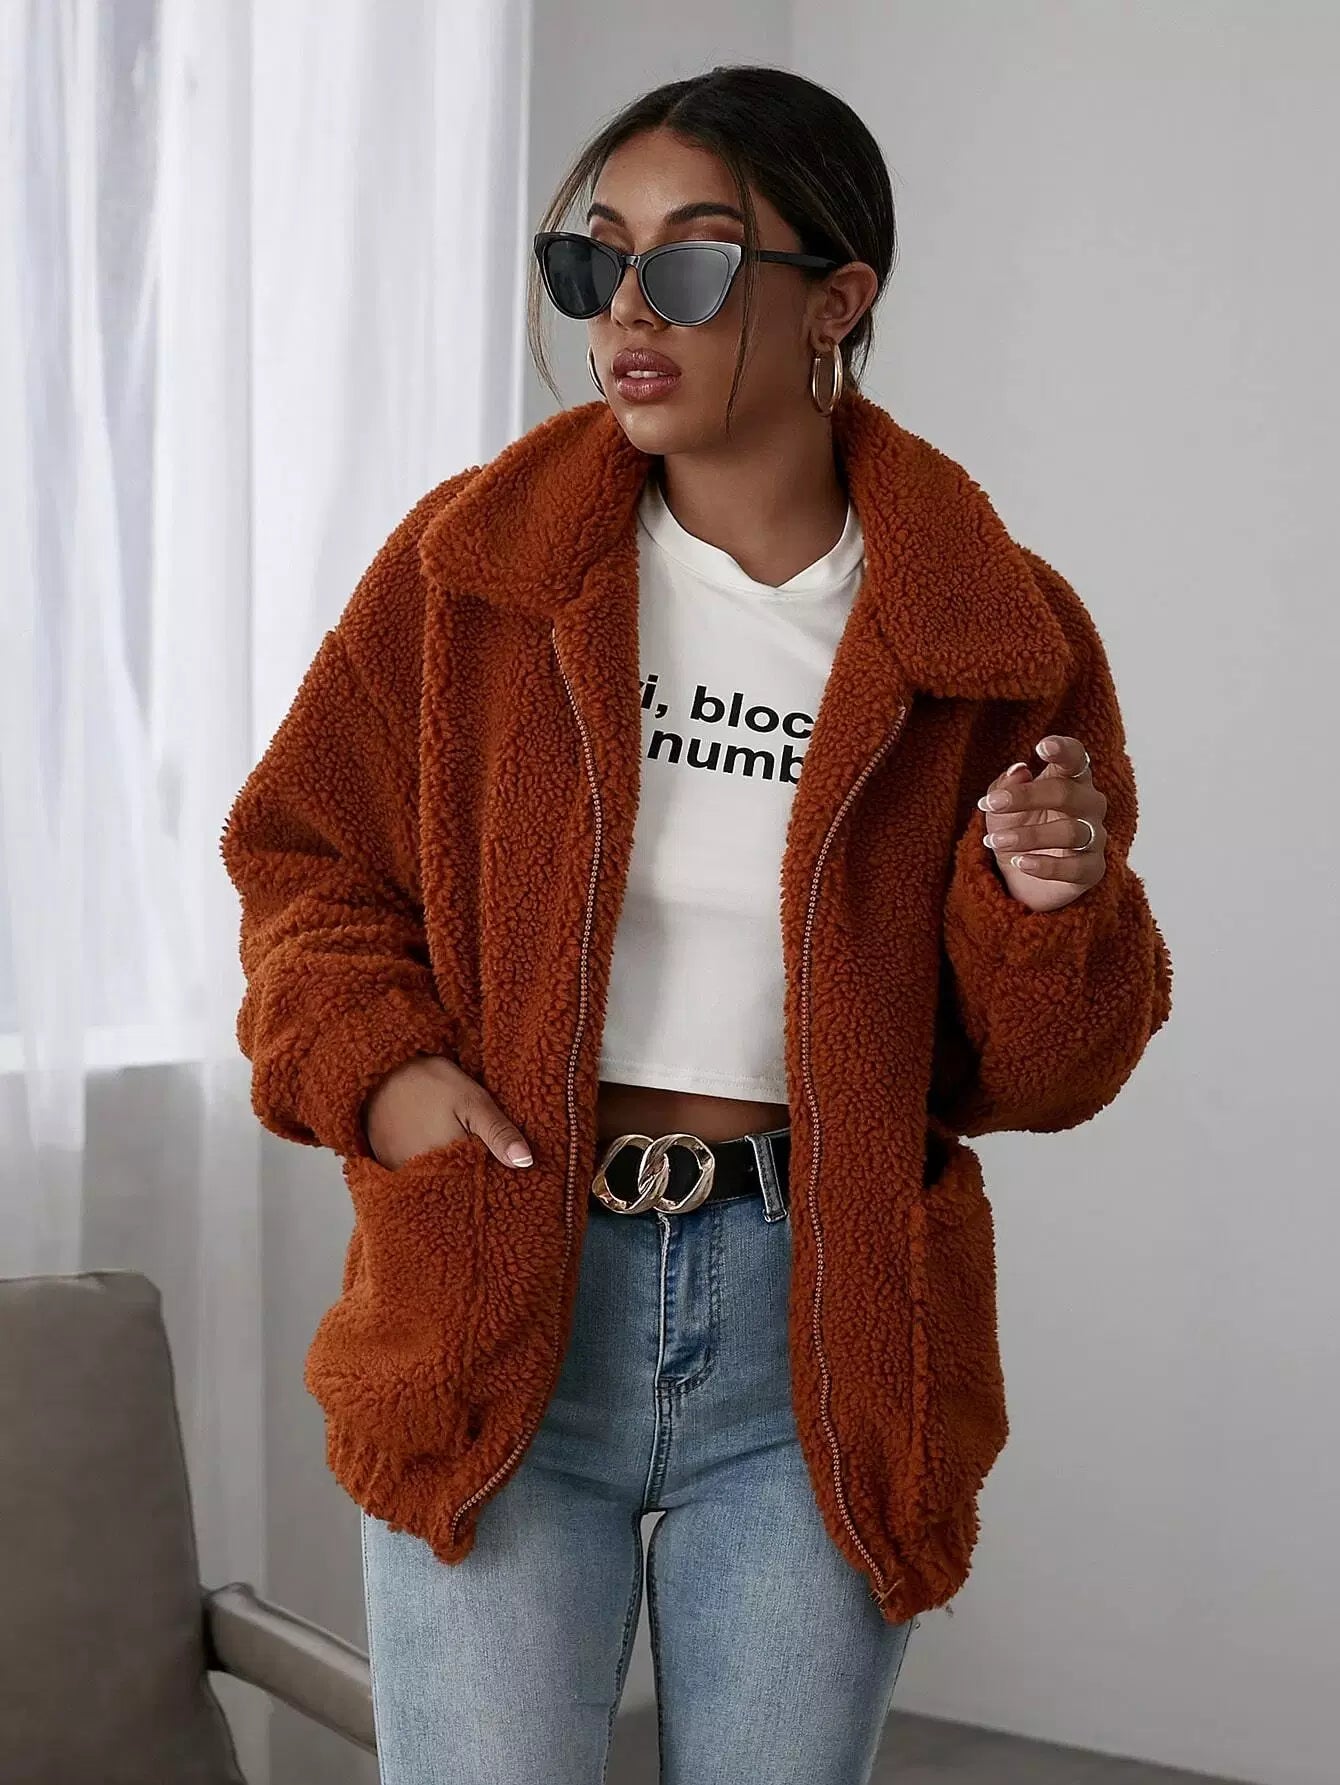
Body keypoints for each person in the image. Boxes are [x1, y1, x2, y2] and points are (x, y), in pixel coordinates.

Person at [220, 63, 1172, 1785]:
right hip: (502, 1287)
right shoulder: (472, 575)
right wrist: (386, 1077)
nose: (629, 310)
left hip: (819, 1331)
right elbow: (302, 860)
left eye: (696, 260)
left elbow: (1046, 1071)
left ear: (839, 301)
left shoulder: (990, 634)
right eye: (596, 261)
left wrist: (1047, 906)